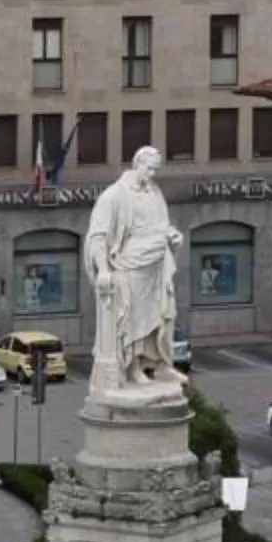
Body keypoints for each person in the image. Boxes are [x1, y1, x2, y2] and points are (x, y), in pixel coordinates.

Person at [84, 146, 182, 393]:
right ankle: (133, 367)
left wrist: (172, 235)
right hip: (129, 267)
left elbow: (161, 225)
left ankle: (160, 363)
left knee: (163, 315)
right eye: (149, 168)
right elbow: (98, 235)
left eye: (155, 169)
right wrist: (104, 269)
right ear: (137, 163)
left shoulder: (155, 193)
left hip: (157, 266)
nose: (152, 174)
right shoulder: (114, 196)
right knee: (135, 320)